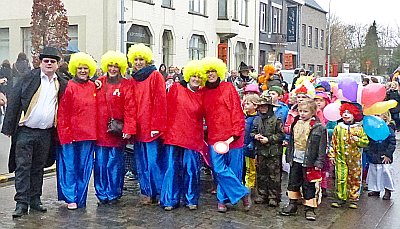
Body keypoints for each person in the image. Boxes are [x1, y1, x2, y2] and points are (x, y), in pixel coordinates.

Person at [1, 47, 68, 218]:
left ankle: (35, 199)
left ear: (57, 64)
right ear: (40, 62)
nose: (49, 64)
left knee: (39, 167)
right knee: (23, 167)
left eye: (53, 62)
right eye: (46, 61)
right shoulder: (28, 78)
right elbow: (15, 100)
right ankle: (21, 202)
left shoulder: (61, 82)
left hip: (45, 133)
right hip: (25, 131)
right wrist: (8, 127)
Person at [202, 57, 251, 213]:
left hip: (233, 137)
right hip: (215, 137)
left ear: (219, 72)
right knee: (219, 169)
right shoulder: (203, 92)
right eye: (208, 72)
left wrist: (237, 132)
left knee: (234, 170)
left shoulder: (228, 87)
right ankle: (243, 193)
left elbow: (236, 110)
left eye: (213, 71)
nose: (211, 74)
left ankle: (222, 200)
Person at [160, 60, 207, 211]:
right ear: (188, 76)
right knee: (172, 168)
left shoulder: (202, 94)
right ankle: (170, 199)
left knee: (191, 169)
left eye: (199, 77)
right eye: (193, 76)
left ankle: (190, 198)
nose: (196, 79)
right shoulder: (175, 88)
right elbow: (165, 109)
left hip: (193, 137)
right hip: (174, 134)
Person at [94, 51, 136, 205]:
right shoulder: (98, 82)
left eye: (116, 66)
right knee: (100, 164)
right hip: (100, 131)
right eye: (110, 65)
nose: (112, 69)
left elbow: (130, 108)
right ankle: (101, 193)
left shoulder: (126, 84)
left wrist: (128, 129)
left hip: (116, 132)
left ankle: (113, 193)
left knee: (115, 164)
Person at [56, 52, 97, 210]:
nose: (83, 71)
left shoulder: (94, 86)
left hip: (88, 134)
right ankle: (71, 197)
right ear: (75, 69)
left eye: (85, 68)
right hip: (71, 134)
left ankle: (81, 196)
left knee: (84, 167)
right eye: (80, 68)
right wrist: (64, 133)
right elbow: (63, 112)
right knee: (70, 166)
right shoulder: (69, 87)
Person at [127, 43, 167, 204]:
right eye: (135, 59)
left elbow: (160, 101)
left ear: (147, 60)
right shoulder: (132, 79)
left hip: (151, 128)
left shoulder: (155, 76)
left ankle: (157, 191)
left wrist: (157, 127)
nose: (138, 62)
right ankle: (146, 191)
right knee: (141, 162)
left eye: (141, 59)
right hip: (138, 128)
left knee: (153, 162)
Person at [281, 99, 327, 221]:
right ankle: (292, 204)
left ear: (312, 112)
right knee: (293, 181)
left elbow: (322, 147)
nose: (302, 113)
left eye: (305, 111)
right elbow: (291, 141)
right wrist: (289, 155)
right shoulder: (296, 123)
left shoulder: (319, 128)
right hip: (296, 158)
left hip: (309, 161)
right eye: (300, 111)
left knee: (309, 185)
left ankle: (309, 208)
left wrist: (319, 161)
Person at [329, 102, 369, 209]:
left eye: (349, 113)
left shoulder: (359, 129)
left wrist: (358, 140)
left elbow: (365, 142)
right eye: (344, 112)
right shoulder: (338, 127)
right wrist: (332, 155)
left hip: (355, 159)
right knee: (341, 177)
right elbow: (334, 142)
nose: (346, 115)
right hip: (340, 158)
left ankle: (353, 198)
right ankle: (341, 198)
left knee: (354, 178)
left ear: (354, 115)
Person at [252, 94, 285, 207]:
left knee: (274, 176)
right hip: (261, 152)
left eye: (265, 106)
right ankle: (262, 194)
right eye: (261, 107)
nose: (263, 109)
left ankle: (274, 197)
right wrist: (256, 136)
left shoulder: (277, 119)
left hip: (273, 152)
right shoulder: (257, 119)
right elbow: (253, 131)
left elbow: (281, 135)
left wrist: (269, 139)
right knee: (261, 174)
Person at [366, 111, 396, 200]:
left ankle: (388, 189)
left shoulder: (388, 129)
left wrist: (388, 154)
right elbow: (367, 142)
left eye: (378, 115)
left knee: (385, 172)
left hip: (384, 156)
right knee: (374, 172)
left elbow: (392, 143)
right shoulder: (371, 129)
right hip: (374, 154)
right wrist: (368, 152)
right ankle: (376, 189)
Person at [242, 94, 259, 194]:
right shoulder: (244, 116)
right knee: (242, 166)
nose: (245, 105)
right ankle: (242, 183)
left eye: (248, 103)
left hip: (250, 148)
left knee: (250, 168)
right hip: (242, 146)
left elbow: (254, 132)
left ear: (255, 105)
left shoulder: (256, 118)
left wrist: (252, 143)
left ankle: (249, 185)